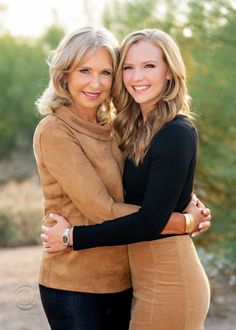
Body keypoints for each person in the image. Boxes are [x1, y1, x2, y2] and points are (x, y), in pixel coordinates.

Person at [42, 28, 211, 330]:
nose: (136, 77)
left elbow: (151, 214)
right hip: (91, 281)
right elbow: (120, 207)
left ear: (170, 72)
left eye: (106, 72)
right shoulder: (126, 129)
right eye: (128, 67)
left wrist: (72, 237)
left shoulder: (170, 131)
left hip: (163, 277)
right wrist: (182, 220)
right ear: (64, 74)